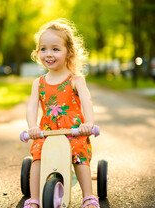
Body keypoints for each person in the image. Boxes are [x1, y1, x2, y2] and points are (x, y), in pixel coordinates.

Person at [24, 19, 100, 208]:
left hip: (74, 131)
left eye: (55, 49)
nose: (48, 54)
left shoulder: (75, 80)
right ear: (38, 52)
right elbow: (32, 107)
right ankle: (34, 199)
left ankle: (88, 196)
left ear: (69, 52)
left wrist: (88, 123)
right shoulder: (39, 83)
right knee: (37, 155)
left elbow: (86, 101)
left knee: (79, 154)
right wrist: (33, 127)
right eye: (43, 49)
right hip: (47, 131)